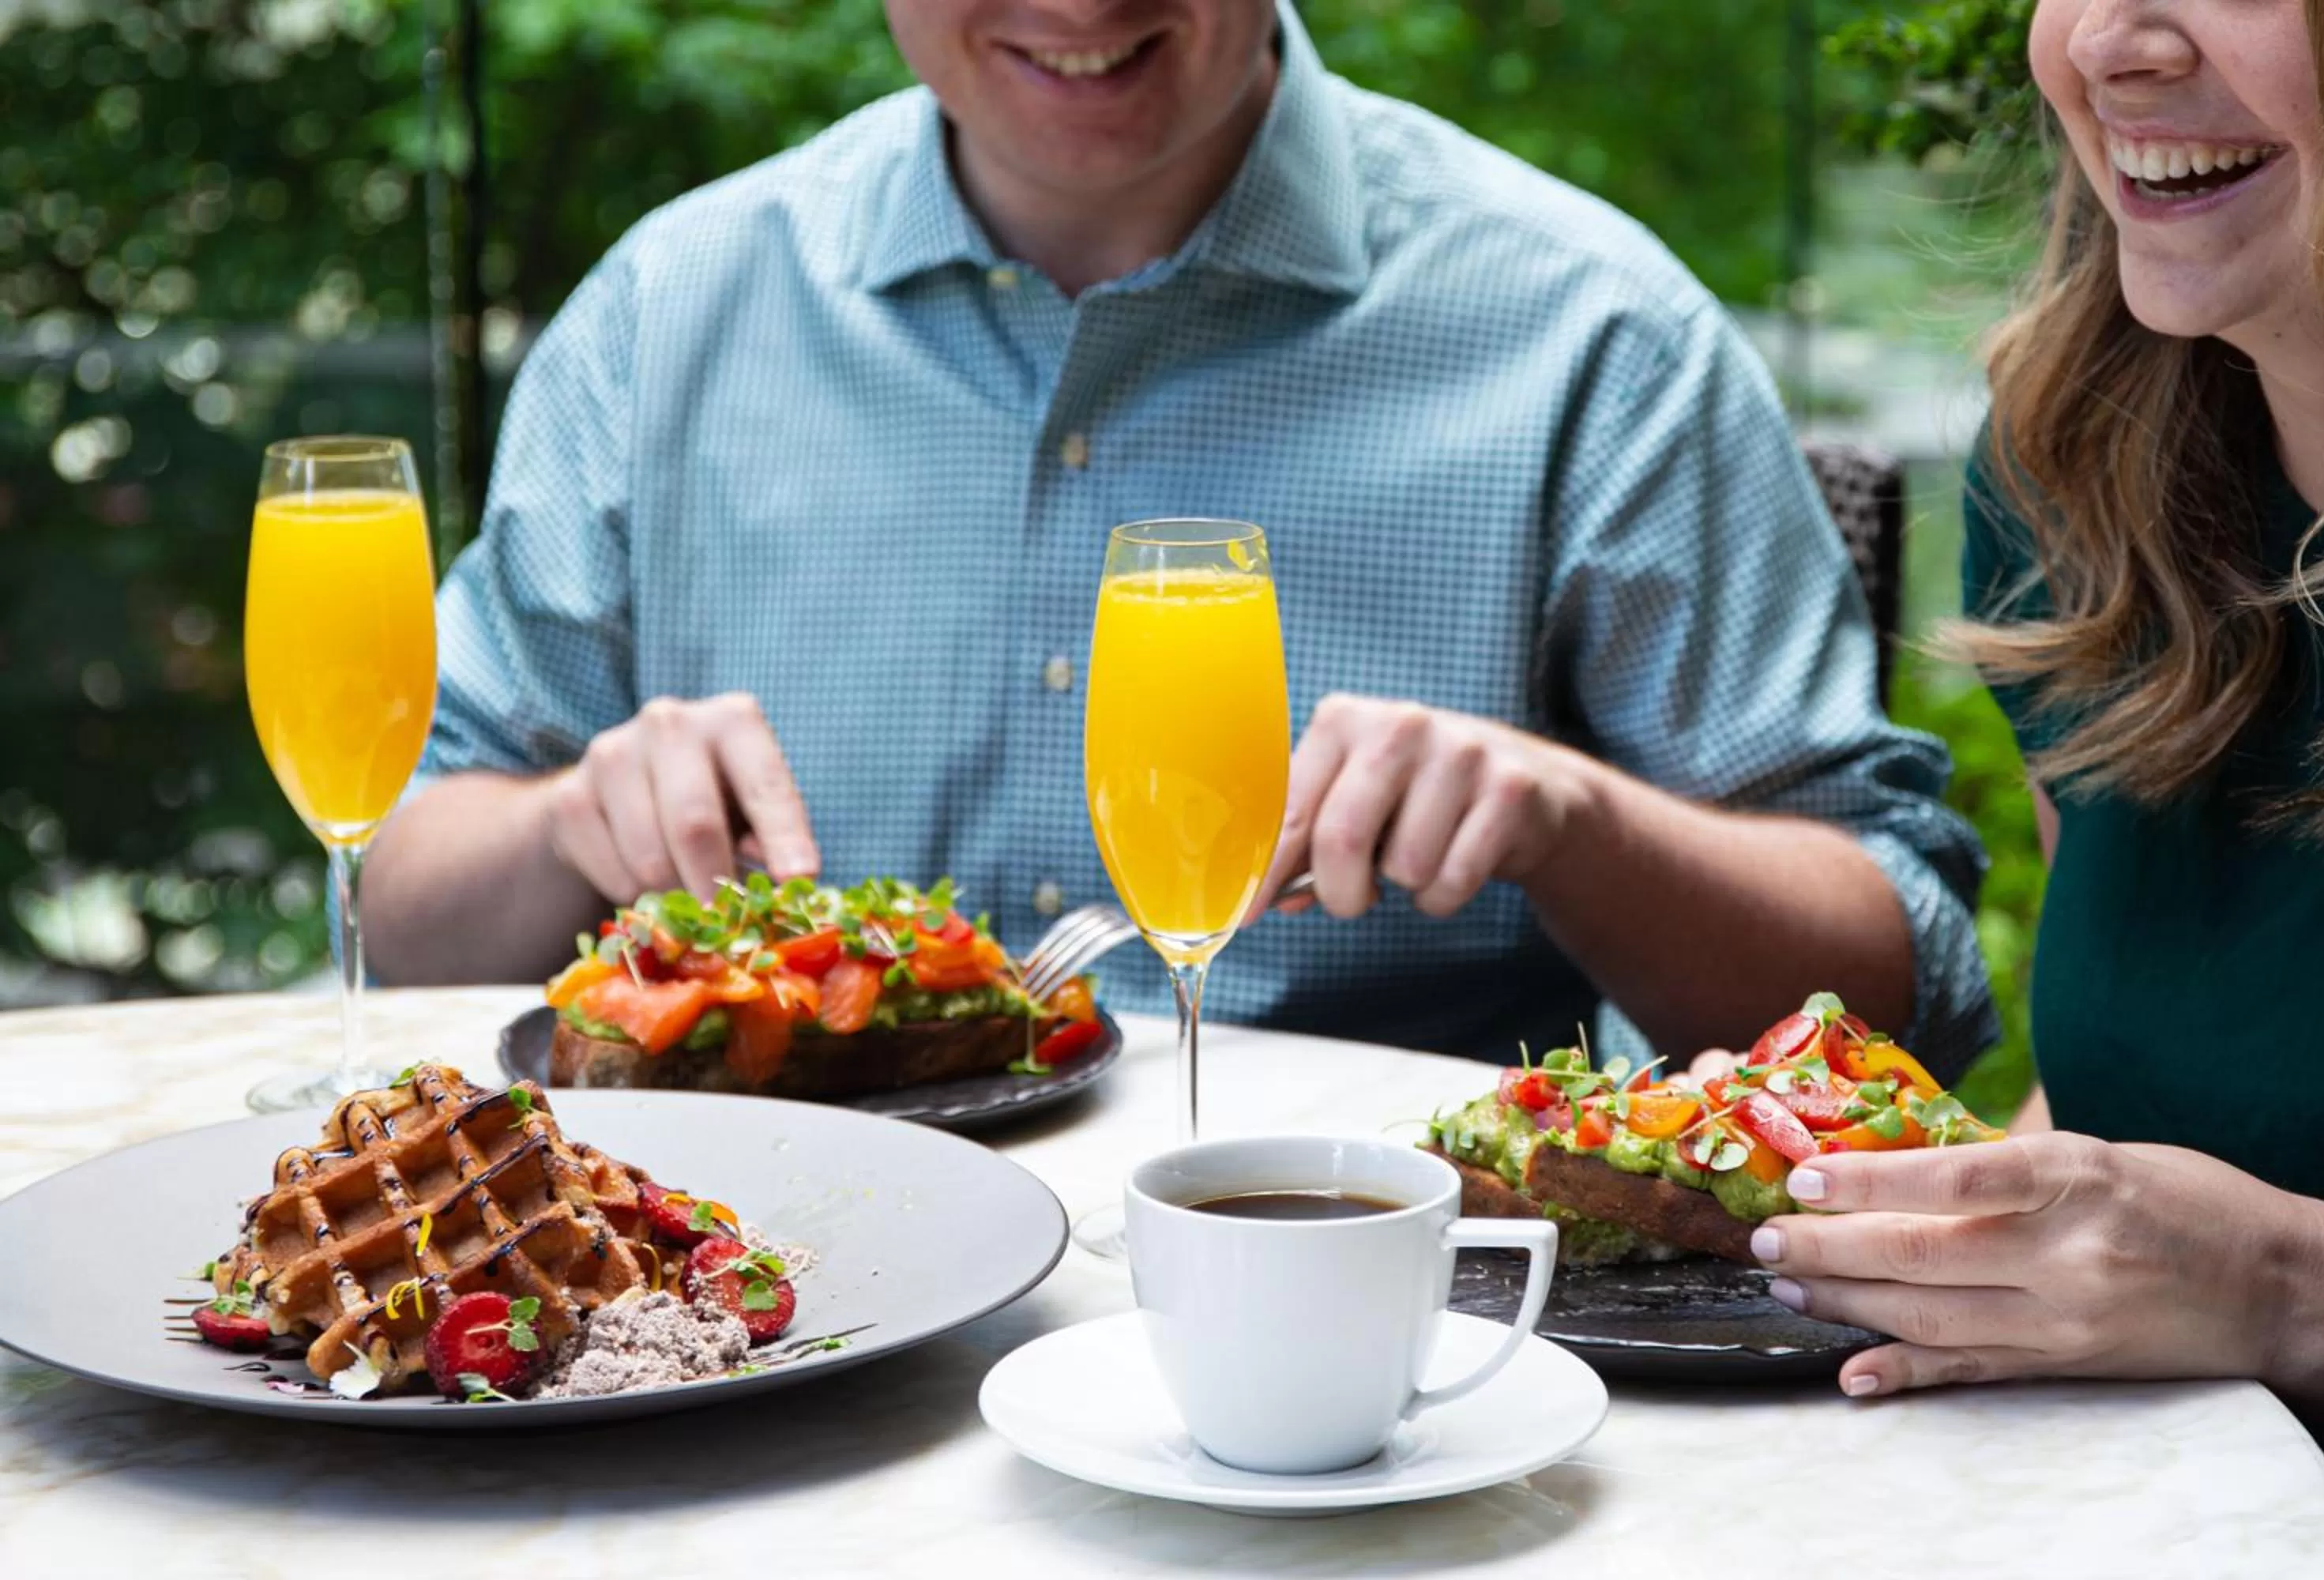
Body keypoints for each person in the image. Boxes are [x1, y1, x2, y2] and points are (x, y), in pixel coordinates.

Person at [362, 0, 1996, 1070]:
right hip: (772, 1307)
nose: (1081, 5)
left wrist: (1577, 825)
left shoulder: (1595, 336)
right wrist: (568, 823)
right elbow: (391, 905)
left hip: (1374, 1338)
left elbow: (1905, 990)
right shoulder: (664, 316)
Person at [1733, 0, 2324, 1484]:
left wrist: (2287, 1290)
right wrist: (1913, 1215)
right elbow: (2105, 1113)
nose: (2106, 43)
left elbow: (2222, 1256)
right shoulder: (2074, 469)